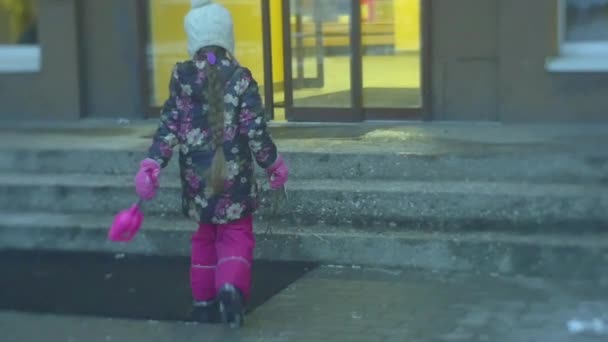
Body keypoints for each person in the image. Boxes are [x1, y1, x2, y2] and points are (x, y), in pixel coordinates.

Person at [134, 0, 289, 328]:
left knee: (205, 236)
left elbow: (170, 125)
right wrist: (273, 164)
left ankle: (203, 302)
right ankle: (230, 288)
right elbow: (255, 130)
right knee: (236, 234)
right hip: (234, 179)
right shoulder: (240, 78)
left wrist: (153, 162)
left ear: (194, 41)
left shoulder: (182, 77)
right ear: (227, 38)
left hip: (197, 178)